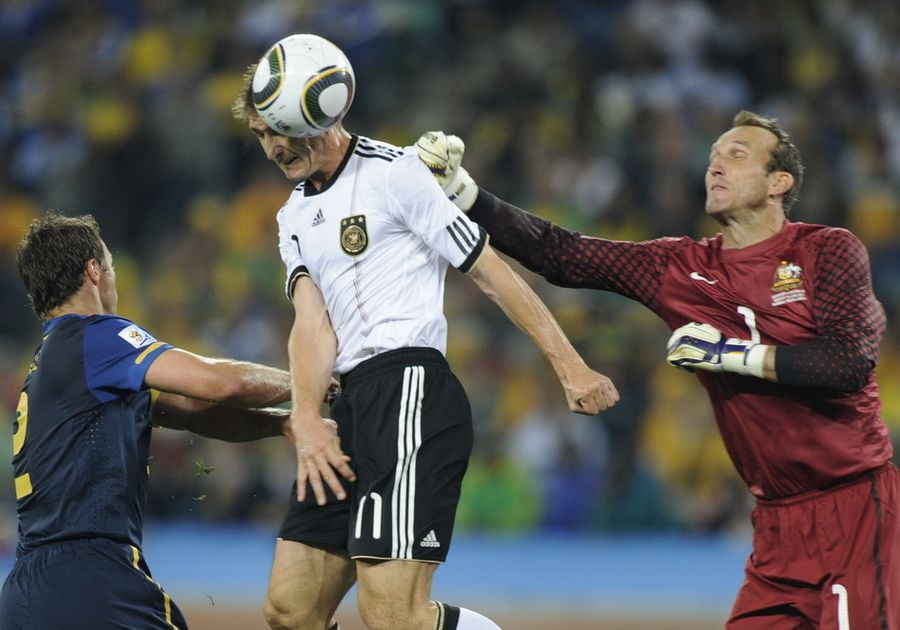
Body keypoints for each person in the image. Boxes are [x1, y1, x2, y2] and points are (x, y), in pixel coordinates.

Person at [417, 111, 898, 629]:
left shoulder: (827, 249)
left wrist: (725, 354)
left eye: (737, 156)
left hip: (855, 506)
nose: (716, 167)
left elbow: (848, 362)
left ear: (779, 182)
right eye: (712, 158)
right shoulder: (678, 267)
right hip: (776, 526)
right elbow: (565, 255)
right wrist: (466, 195)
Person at [232, 34, 619, 630]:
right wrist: (307, 418)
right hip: (349, 408)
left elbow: (491, 272)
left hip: (409, 387)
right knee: (291, 610)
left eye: (277, 129)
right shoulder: (291, 218)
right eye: (261, 134)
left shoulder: (398, 173)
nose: (273, 147)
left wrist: (570, 364)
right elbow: (311, 325)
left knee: (392, 614)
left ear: (319, 113)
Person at [0, 212, 305, 629]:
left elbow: (196, 412)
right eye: (109, 264)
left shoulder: (52, 366)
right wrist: (316, 380)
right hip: (91, 578)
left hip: (27, 592)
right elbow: (219, 384)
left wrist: (281, 424)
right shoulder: (96, 337)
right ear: (94, 271)